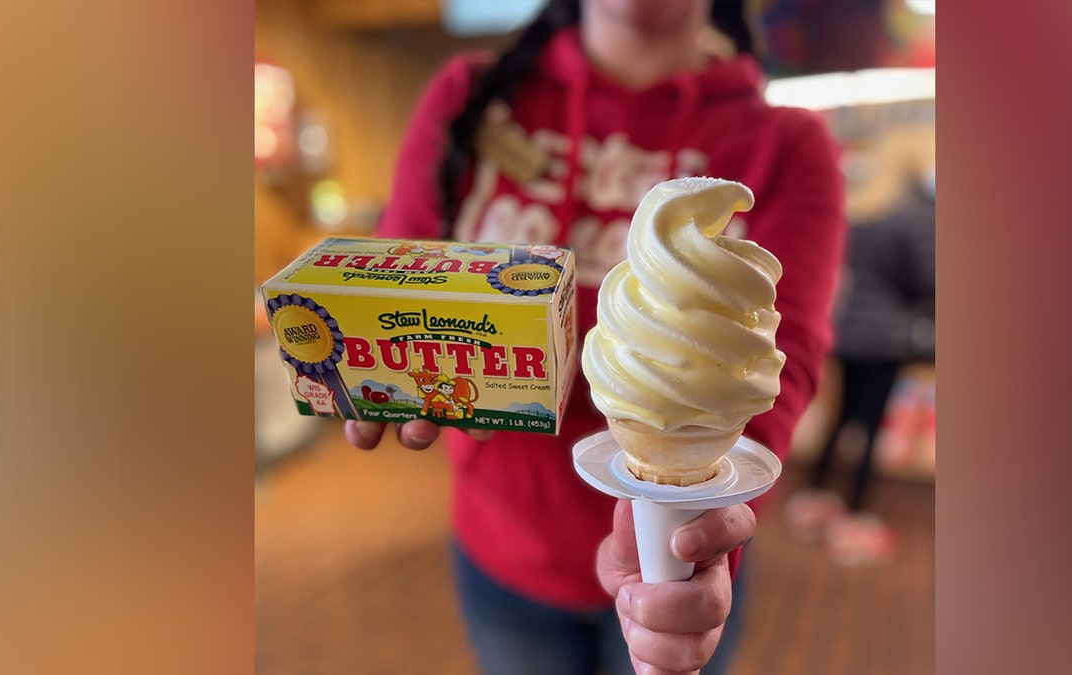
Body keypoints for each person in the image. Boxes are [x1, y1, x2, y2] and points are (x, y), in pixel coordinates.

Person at [345, 0, 845, 672]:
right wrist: (379, 360)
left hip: (681, 559)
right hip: (503, 550)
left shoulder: (787, 140)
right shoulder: (471, 98)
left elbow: (786, 356)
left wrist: (705, 531)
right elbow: (399, 276)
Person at [786, 159, 935, 567]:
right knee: (868, 429)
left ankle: (815, 496)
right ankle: (853, 514)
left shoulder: (860, 214)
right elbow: (924, 279)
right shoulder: (911, 220)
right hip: (886, 339)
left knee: (839, 419)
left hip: (848, 330)